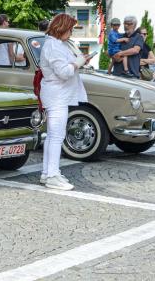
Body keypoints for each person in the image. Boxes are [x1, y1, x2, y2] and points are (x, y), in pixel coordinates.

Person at [39, 14, 89, 191]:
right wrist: (78, 63)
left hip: (57, 94)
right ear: (61, 28)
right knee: (56, 136)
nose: (71, 32)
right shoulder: (53, 45)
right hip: (57, 95)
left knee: (52, 136)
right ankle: (52, 175)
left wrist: (78, 62)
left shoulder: (55, 44)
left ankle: (48, 172)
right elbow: (64, 72)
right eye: (69, 28)